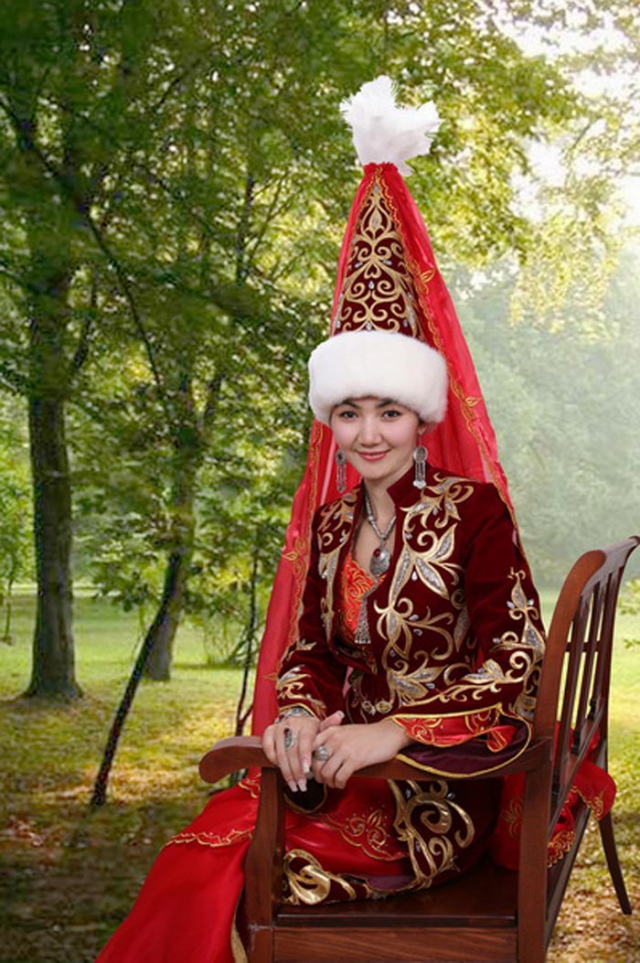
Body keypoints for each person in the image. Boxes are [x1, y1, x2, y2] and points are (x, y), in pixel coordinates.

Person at [95, 77, 546, 963]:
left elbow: (516, 655)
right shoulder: (333, 525)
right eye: (349, 412)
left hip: (436, 784)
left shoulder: (475, 512)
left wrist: (398, 729)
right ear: (329, 421)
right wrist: (297, 713)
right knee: (198, 854)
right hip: (335, 770)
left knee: (246, 870)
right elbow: (309, 650)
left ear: (422, 418)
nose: (369, 433)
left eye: (390, 411)